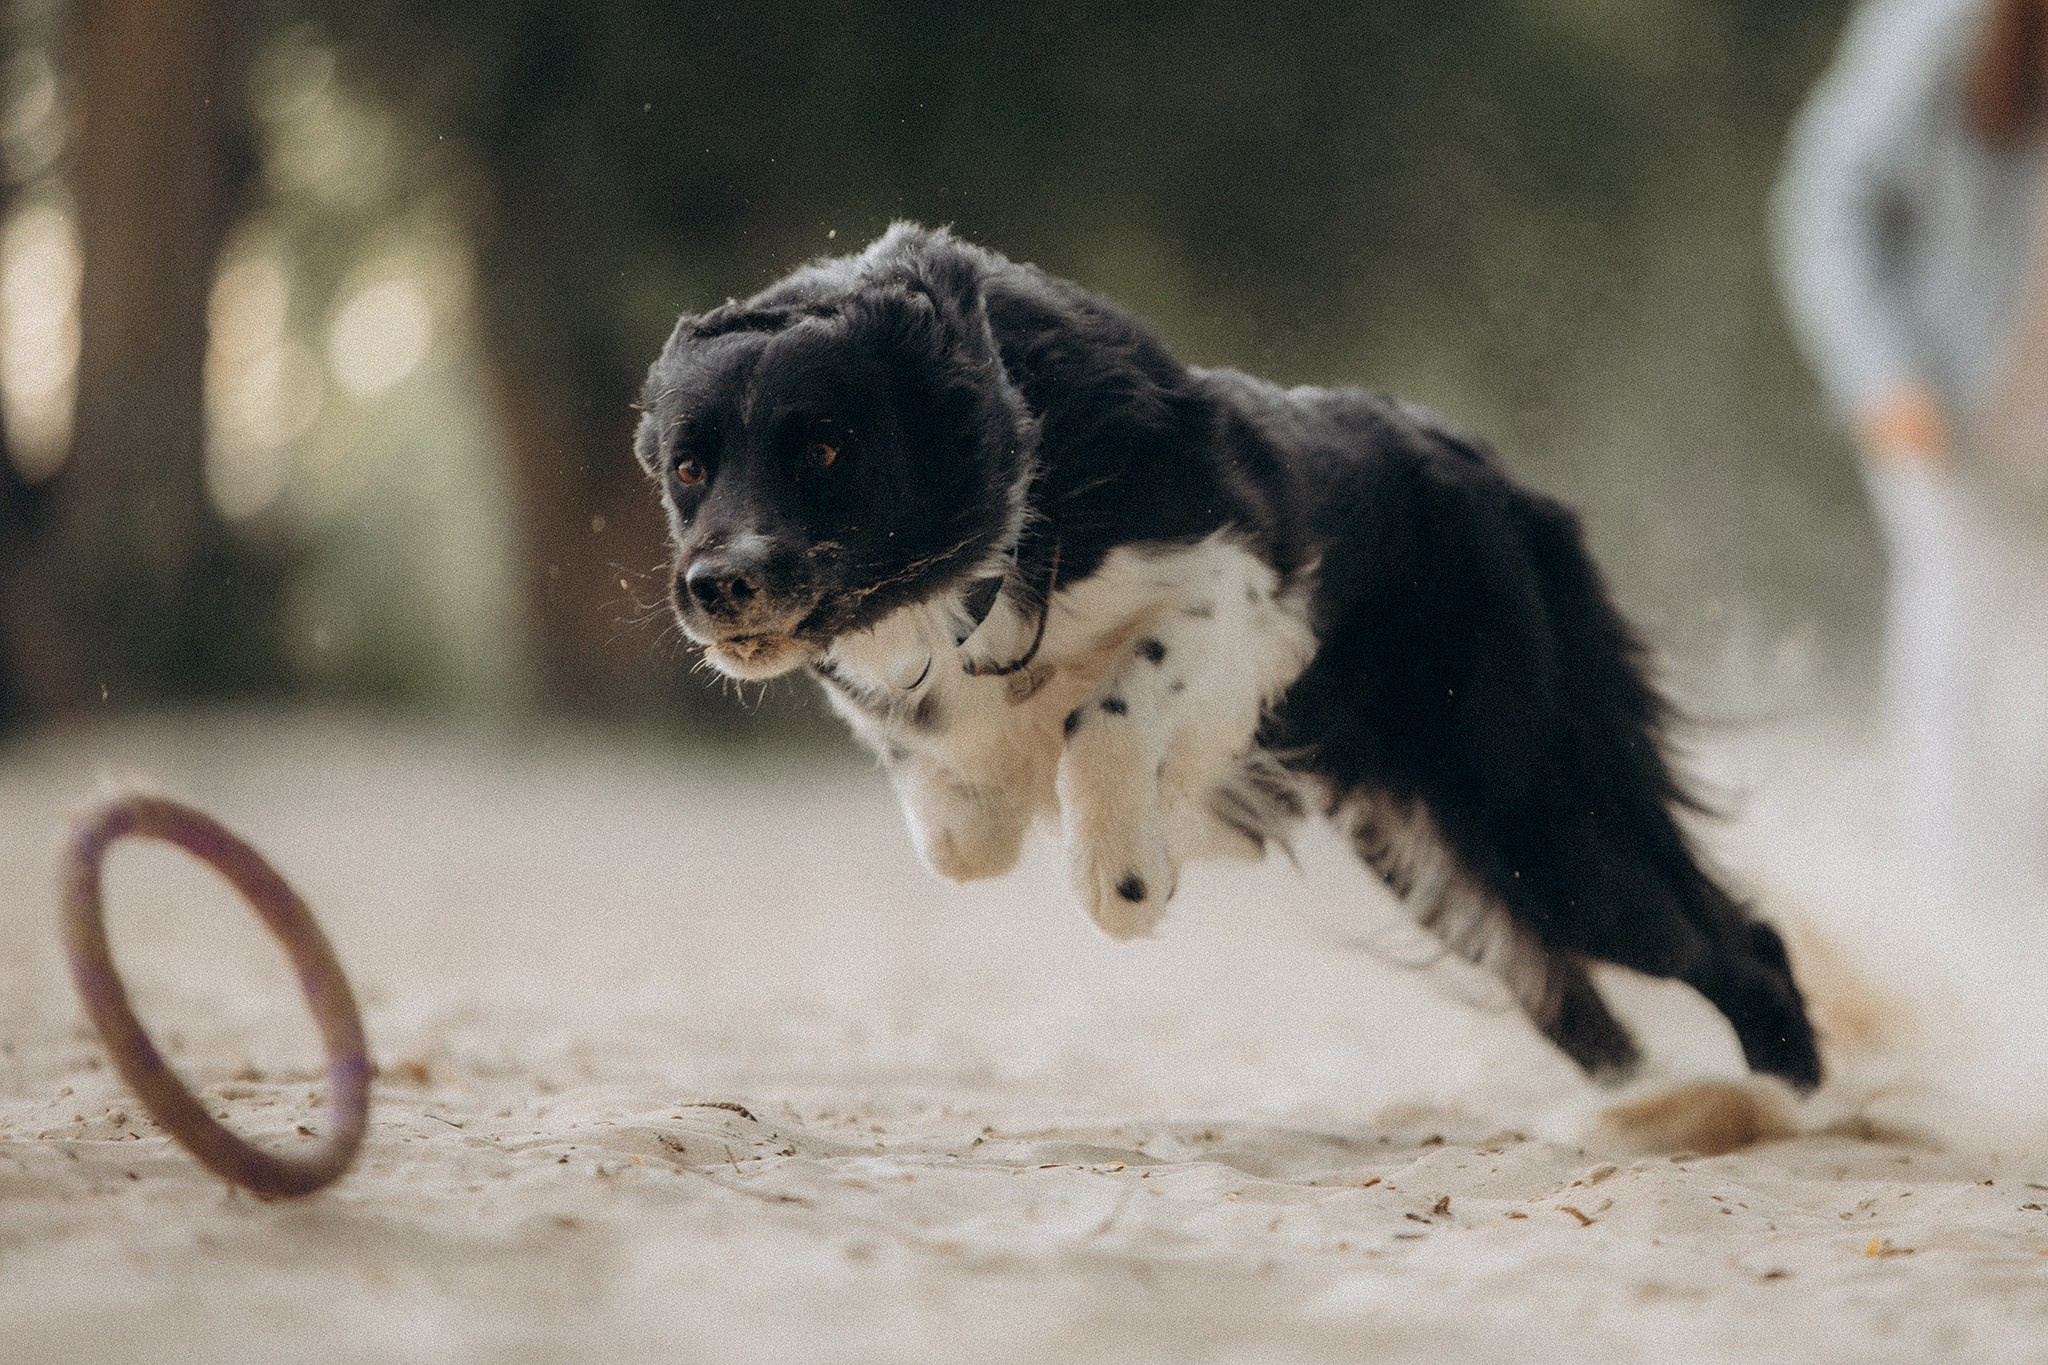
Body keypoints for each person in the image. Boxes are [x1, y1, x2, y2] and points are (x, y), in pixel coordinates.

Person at [1773, 0, 2048, 930]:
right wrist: (1882, 377)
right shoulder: (1944, 22)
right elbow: (1826, 199)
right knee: (1961, 660)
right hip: (1955, 422)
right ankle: (1964, 940)